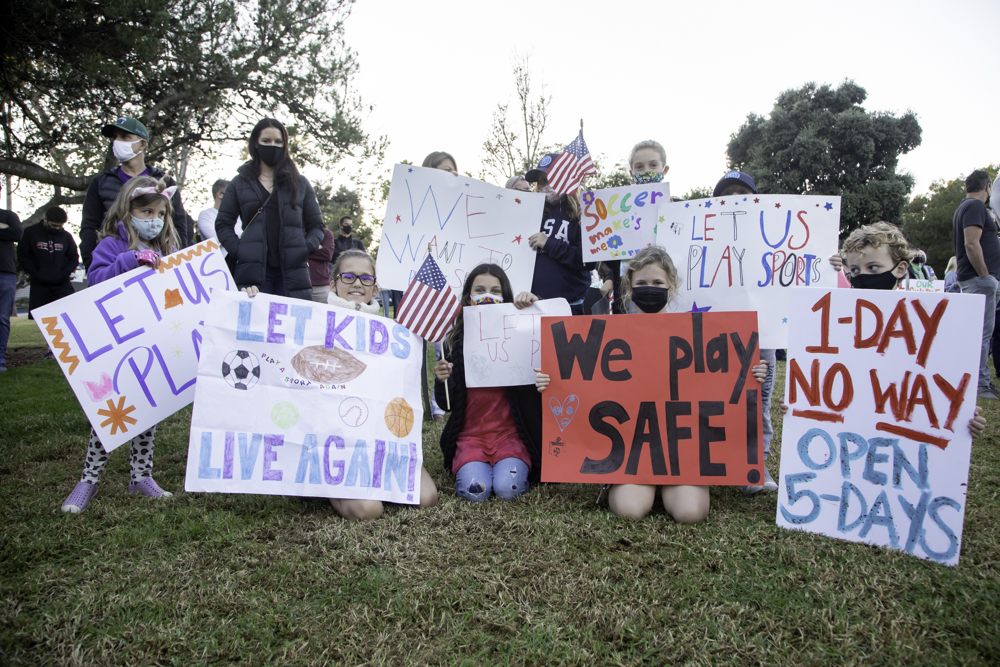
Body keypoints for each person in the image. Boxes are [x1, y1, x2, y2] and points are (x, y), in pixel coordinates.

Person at [535, 246, 769, 522]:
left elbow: (716, 383)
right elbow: (583, 380)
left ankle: (678, 484)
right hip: (632, 451)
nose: (650, 288)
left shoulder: (697, 331)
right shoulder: (609, 333)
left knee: (690, 513)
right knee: (629, 510)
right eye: (642, 283)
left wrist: (748, 374)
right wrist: (552, 382)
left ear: (671, 286)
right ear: (630, 288)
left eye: (657, 283)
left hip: (682, 450)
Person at [780, 221, 987, 436]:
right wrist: (799, 403)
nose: (863, 276)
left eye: (873, 268)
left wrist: (962, 415)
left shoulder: (923, 323)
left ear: (900, 269)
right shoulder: (840, 318)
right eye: (855, 270)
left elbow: (936, 377)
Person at [711, 170, 844, 494]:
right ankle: (711, 460)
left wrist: (830, 267)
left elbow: (804, 269)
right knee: (713, 398)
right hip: (715, 335)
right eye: (726, 194)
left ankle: (755, 466)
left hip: (763, 335)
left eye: (742, 192)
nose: (734, 199)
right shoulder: (703, 238)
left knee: (758, 399)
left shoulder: (774, 237)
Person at [60, 176, 180, 513]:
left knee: (148, 411)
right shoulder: (111, 245)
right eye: (146, 210)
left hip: (150, 342)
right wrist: (129, 260)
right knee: (110, 413)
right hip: (116, 346)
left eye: (159, 212)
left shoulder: (167, 250)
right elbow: (96, 281)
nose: (154, 218)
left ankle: (141, 476)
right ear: (127, 211)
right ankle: (89, 479)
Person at [324, 248, 439, 519]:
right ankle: (324, 484)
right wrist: (252, 300)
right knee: (369, 510)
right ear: (333, 284)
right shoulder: (313, 321)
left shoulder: (391, 332)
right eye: (349, 276)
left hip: (378, 438)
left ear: (375, 288)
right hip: (335, 439)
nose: (356, 284)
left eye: (365, 279)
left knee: (427, 497)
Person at [433, 264, 543, 502]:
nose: (487, 296)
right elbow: (447, 405)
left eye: (495, 291)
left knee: (507, 489)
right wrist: (441, 379)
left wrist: (534, 304)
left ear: (505, 297)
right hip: (470, 439)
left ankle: (508, 468)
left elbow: (543, 332)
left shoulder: (519, 333)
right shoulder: (456, 342)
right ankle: (471, 466)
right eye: (480, 290)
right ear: (468, 298)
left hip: (509, 438)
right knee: (477, 492)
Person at [215, 118, 325, 301]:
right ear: (256, 143)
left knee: (291, 326)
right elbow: (223, 224)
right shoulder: (238, 183)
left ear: (284, 145)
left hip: (293, 272)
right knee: (254, 326)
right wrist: (240, 250)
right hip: (252, 273)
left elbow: (317, 225)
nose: (272, 146)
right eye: (266, 141)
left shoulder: (300, 183)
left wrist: (305, 248)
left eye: (278, 141)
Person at [79, 116, 189, 268]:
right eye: (115, 137)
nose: (117, 142)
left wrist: (176, 261)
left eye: (125, 137)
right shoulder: (101, 182)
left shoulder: (164, 181)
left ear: (142, 144)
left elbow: (179, 224)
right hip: (113, 267)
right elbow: (89, 226)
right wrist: (92, 265)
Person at [524, 154, 594, 315]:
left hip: (570, 306)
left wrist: (549, 244)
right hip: (534, 306)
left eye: (551, 178)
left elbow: (587, 263)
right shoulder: (531, 214)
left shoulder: (581, 214)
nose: (546, 185)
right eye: (541, 181)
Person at [952, 170, 999, 399]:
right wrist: (986, 276)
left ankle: (979, 381)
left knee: (979, 333)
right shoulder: (975, 207)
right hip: (979, 280)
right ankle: (980, 384)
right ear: (988, 187)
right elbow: (972, 244)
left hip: (975, 279)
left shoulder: (965, 206)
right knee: (982, 334)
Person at [17, 207, 78, 334]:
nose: (56, 228)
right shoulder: (30, 233)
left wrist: (64, 273)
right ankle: (50, 348)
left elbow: (73, 257)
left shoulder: (66, 236)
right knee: (45, 320)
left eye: (59, 226)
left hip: (61, 282)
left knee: (67, 315)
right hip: (40, 283)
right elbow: (22, 256)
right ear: (45, 220)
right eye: (53, 225)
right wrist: (35, 273)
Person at [0, 182, 23, 372]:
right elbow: (9, 232)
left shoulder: (9, 215)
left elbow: (17, 233)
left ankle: (0, 361)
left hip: (5, 274)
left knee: (2, 318)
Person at [196, 179, 239, 243]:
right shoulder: (205, 215)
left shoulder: (239, 215)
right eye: (232, 193)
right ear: (220, 194)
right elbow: (217, 238)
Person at [307, 227, 336, 303]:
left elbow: (327, 254)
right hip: (298, 285)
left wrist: (303, 249)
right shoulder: (298, 231)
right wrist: (316, 247)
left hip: (321, 287)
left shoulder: (326, 233)